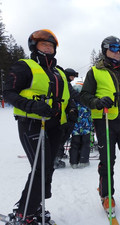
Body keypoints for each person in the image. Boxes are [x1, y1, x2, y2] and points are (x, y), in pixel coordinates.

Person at [3, 29, 76, 224]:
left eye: (51, 46)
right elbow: (8, 92)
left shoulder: (59, 72)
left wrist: (71, 114)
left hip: (54, 126)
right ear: (34, 46)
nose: (49, 48)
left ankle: (35, 204)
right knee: (40, 167)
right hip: (33, 124)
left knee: (48, 168)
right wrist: (32, 105)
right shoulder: (25, 66)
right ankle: (24, 212)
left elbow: (70, 99)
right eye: (45, 45)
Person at [80, 36, 120, 216]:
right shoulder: (95, 71)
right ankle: (107, 195)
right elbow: (84, 95)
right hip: (105, 122)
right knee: (107, 161)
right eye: (113, 48)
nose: (117, 52)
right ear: (105, 50)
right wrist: (97, 101)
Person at [54, 68, 79, 169]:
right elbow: (72, 94)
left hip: (64, 114)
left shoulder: (66, 83)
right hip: (60, 115)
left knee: (63, 136)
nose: (73, 79)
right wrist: (85, 99)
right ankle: (56, 158)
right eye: (72, 76)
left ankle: (58, 154)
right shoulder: (64, 83)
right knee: (60, 136)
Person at [69, 82, 92, 168]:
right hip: (86, 127)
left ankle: (73, 162)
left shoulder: (72, 102)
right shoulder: (86, 101)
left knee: (75, 143)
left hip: (75, 127)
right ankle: (84, 160)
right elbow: (90, 113)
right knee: (85, 143)